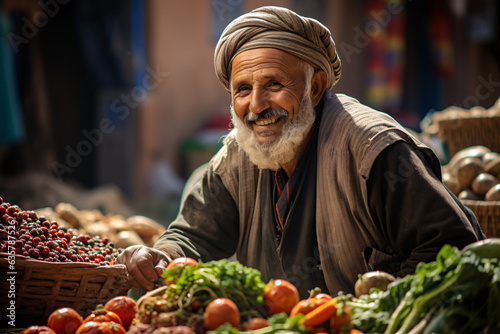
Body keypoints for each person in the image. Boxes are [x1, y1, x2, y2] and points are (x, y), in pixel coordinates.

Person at [117, 6, 484, 298]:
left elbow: (455, 249)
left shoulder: (374, 150)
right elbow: (193, 236)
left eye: (274, 84)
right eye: (242, 89)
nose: (256, 105)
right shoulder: (236, 158)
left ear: (315, 86)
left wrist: (378, 307)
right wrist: (161, 256)